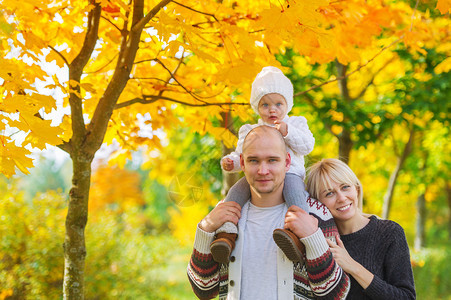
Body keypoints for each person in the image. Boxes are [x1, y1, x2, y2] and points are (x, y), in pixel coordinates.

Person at [187, 126, 350, 299]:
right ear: (242, 163)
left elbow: (336, 294)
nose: (263, 171)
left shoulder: (316, 214)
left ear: (287, 162)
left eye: (272, 160)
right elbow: (204, 289)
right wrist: (205, 230)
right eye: (253, 161)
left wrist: (312, 237)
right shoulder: (225, 216)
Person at [211, 66, 315, 264]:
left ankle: (297, 235)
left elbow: (307, 146)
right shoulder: (251, 130)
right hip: (256, 177)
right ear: (257, 107)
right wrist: (232, 162)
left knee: (295, 195)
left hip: (291, 173)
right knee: (235, 192)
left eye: (278, 104)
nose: (272, 109)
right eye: (265, 105)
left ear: (288, 104)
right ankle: (227, 233)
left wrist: (288, 132)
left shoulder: (296, 124)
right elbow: (242, 155)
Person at [306, 158, 416, 299]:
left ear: (356, 189)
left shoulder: (390, 233)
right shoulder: (319, 242)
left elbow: (406, 297)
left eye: (345, 187)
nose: (341, 198)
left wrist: (352, 266)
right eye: (329, 193)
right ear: (319, 203)